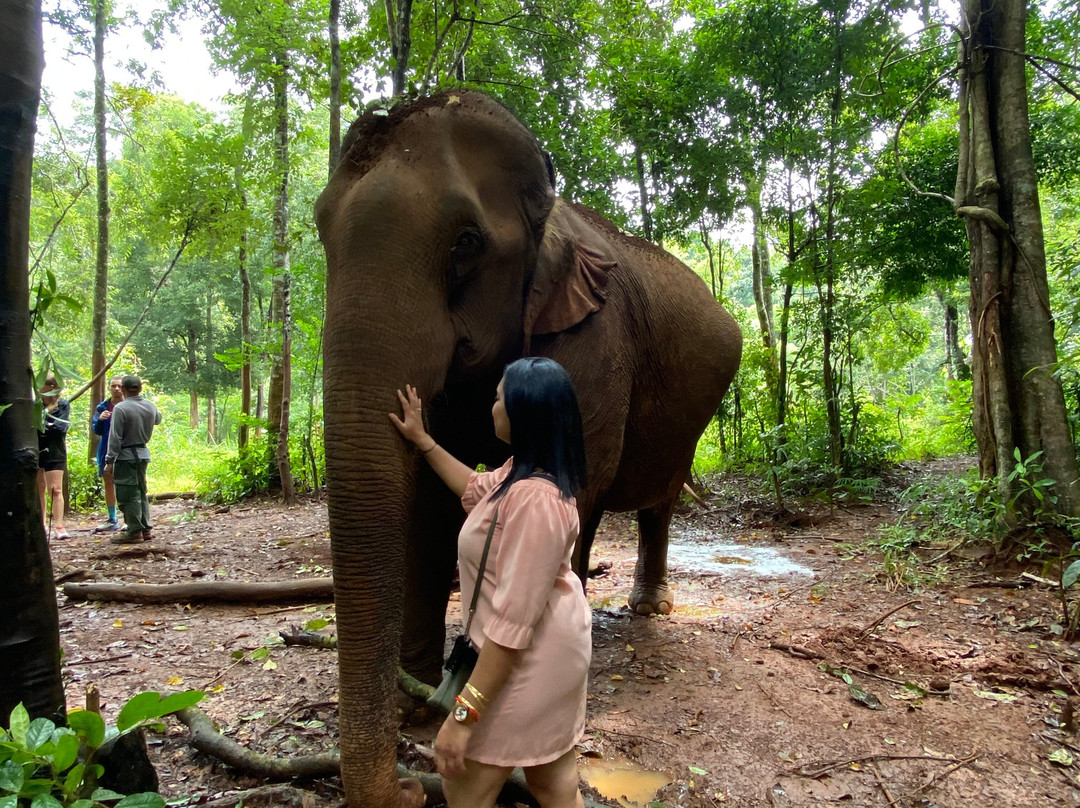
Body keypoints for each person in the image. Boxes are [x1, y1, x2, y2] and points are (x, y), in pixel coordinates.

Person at [390, 357, 591, 808]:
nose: (493, 404)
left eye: (499, 397)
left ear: (522, 411)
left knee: (466, 789)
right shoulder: (517, 475)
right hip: (535, 654)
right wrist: (423, 441)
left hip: (529, 663)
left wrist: (463, 716)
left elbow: (512, 627)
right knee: (552, 783)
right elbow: (476, 487)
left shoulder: (538, 501)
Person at [104, 375, 162, 545]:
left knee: (128, 494)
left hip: (125, 456)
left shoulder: (121, 408)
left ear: (123, 389)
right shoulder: (150, 406)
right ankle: (146, 528)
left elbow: (115, 437)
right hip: (143, 453)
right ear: (140, 388)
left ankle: (134, 530)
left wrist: (109, 461)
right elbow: (158, 419)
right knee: (141, 491)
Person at [37, 373, 71, 539]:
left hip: (55, 450)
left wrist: (45, 425)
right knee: (39, 488)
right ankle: (42, 524)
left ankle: (58, 526)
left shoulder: (62, 405)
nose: (48, 390)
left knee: (55, 489)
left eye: (52, 386)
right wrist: (47, 425)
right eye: (45, 386)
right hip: (36, 449)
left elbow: (60, 427)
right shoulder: (34, 405)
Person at [91, 376, 126, 531]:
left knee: (127, 484)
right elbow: (96, 430)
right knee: (108, 482)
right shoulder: (103, 407)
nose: (116, 389)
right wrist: (100, 420)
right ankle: (112, 519)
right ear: (110, 388)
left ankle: (129, 518)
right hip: (105, 449)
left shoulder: (129, 405)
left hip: (126, 449)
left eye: (119, 386)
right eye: (114, 386)